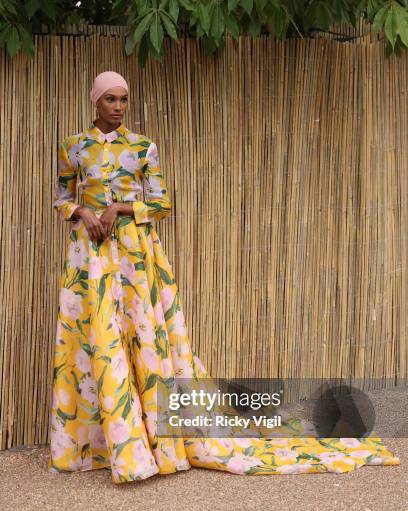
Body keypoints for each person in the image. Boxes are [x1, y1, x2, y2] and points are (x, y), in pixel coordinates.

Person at [48, 71, 400, 483]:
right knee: (97, 341)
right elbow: (61, 199)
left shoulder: (143, 147)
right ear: (95, 101)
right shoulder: (74, 146)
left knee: (143, 339)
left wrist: (121, 209)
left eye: (124, 99)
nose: (119, 107)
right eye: (111, 99)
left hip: (135, 258)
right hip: (89, 258)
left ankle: (147, 443)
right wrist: (83, 212)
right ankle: (104, 445)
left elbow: (161, 203)